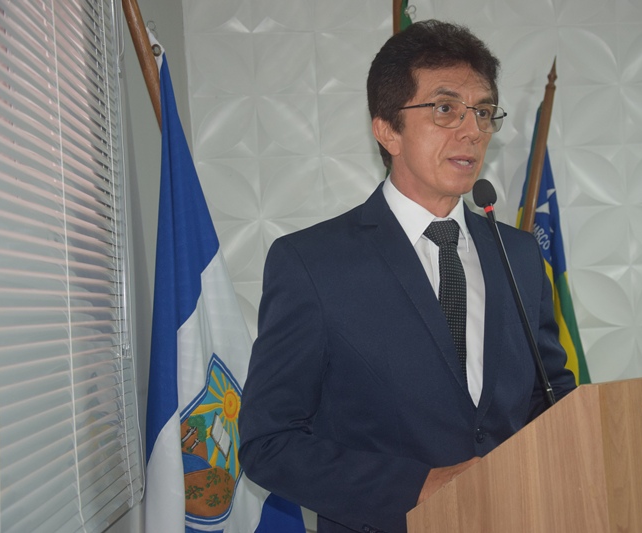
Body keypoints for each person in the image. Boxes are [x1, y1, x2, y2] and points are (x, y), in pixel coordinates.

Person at [238, 19, 576, 533]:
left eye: (483, 112)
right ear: (387, 130)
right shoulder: (312, 263)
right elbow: (269, 443)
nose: (472, 131)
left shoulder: (520, 254)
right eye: (445, 109)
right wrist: (417, 488)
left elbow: (548, 399)